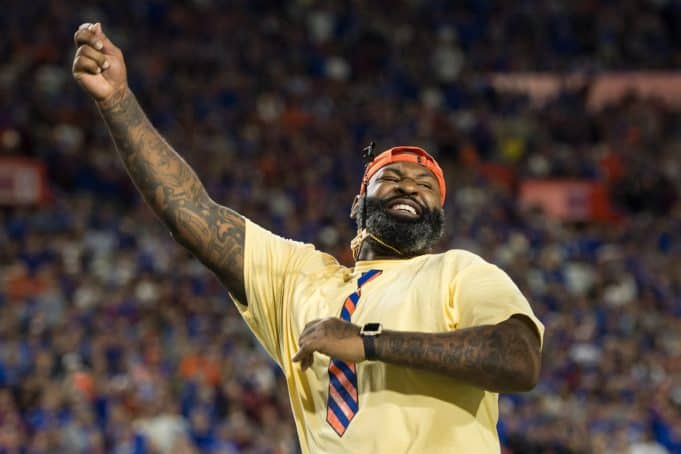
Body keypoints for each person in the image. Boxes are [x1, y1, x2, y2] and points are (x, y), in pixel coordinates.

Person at [71, 22, 544, 453]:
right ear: (357, 205)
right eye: (392, 178)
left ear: (439, 217)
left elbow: (518, 359)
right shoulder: (299, 278)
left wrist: (369, 343)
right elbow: (190, 211)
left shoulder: (459, 271)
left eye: (426, 187)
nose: (410, 187)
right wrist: (117, 100)